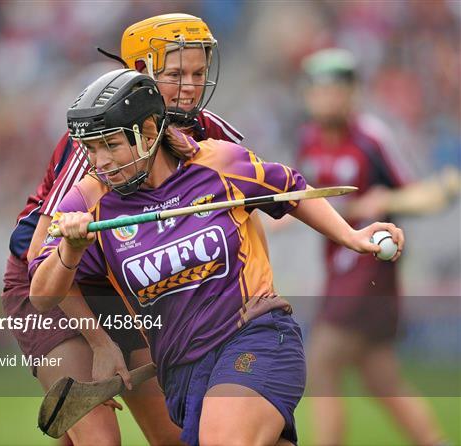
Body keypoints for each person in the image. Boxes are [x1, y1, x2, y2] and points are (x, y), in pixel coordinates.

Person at [29, 68, 404, 446]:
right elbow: (42, 295)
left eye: (110, 144)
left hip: (254, 337)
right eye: (91, 149)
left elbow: (289, 191)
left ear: (147, 132)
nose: (100, 161)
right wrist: (70, 250)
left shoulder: (218, 163)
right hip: (181, 372)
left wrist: (351, 236)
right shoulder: (87, 201)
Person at [4, 13, 265, 445]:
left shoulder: (208, 132)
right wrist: (100, 341)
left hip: (125, 289)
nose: (191, 86)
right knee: (101, 441)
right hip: (53, 291)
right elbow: (41, 259)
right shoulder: (99, 132)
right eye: (176, 74)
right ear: (141, 72)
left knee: (176, 437)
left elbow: (241, 214)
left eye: (198, 72)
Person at [296, 48, 448, 446]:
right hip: (337, 270)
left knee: (323, 361)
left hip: (371, 272)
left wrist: (386, 200)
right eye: (320, 89)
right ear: (308, 95)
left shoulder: (371, 139)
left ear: (353, 93)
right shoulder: (309, 142)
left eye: (338, 89)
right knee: (381, 377)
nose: (329, 97)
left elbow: (427, 196)